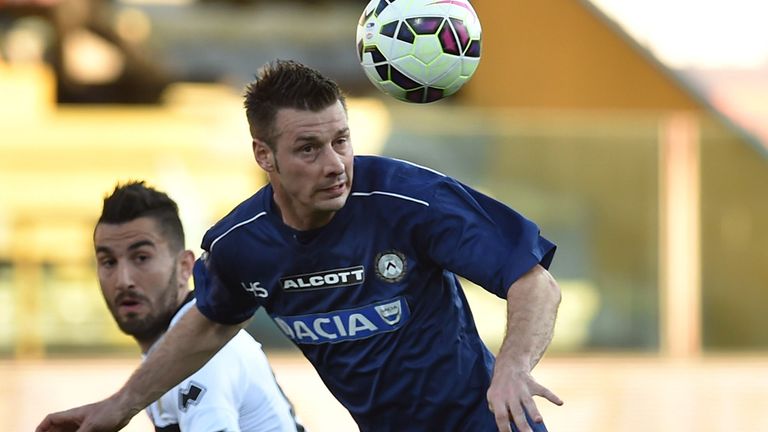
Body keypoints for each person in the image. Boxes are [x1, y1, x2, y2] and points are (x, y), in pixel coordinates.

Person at [37, 60, 563, 432]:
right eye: (308, 148)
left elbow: (534, 283)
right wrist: (121, 405)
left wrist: (511, 369)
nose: (334, 164)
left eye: (341, 139)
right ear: (264, 156)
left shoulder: (409, 199)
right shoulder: (240, 244)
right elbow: (211, 320)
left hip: (488, 423)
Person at [88, 181, 304, 432]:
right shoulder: (167, 356)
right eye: (108, 262)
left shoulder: (204, 360)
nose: (124, 280)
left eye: (141, 258)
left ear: (184, 267)